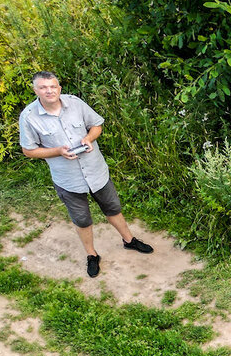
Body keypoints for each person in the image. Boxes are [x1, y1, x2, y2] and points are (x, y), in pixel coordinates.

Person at [18, 71, 153, 277]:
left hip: (96, 171)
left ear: (59, 88)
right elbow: (28, 150)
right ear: (35, 90)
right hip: (68, 180)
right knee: (82, 219)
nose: (49, 91)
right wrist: (57, 152)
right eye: (43, 87)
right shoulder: (29, 117)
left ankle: (129, 241)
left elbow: (96, 125)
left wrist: (89, 138)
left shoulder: (75, 103)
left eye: (53, 86)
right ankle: (92, 255)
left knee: (113, 208)